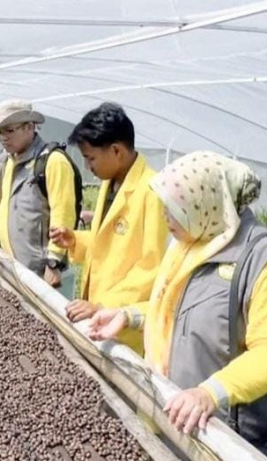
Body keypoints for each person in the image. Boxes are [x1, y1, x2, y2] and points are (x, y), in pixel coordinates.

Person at [88, 151, 267, 461]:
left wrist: (211, 392)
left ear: (207, 203)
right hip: (177, 418)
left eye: (174, 208)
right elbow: (177, 310)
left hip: (232, 437)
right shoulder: (193, 243)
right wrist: (129, 316)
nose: (165, 217)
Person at [49, 102, 167, 353]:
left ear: (116, 151)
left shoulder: (152, 192)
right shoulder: (111, 182)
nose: (89, 167)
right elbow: (110, 242)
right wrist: (76, 240)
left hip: (125, 324)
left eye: (91, 158)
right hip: (100, 312)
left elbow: (151, 267)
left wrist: (105, 305)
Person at [0, 99, 79, 294]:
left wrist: (54, 262)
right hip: (13, 266)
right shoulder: (3, 162)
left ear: (29, 127)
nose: (3, 138)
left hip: (43, 272)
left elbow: (63, 214)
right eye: (0, 131)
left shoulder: (53, 162)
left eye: (10, 130)